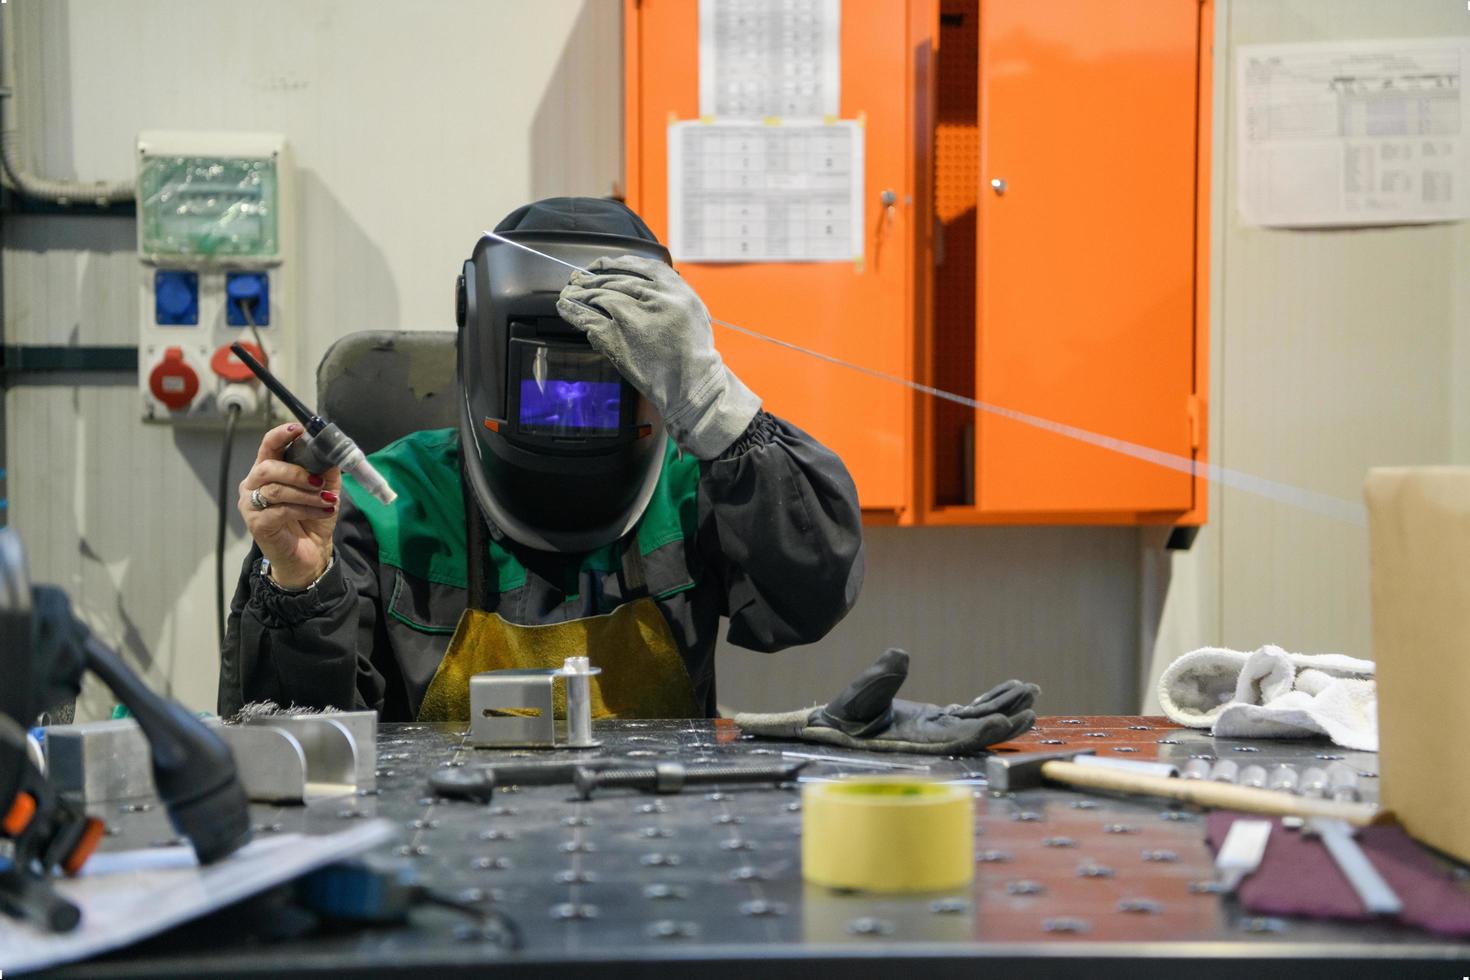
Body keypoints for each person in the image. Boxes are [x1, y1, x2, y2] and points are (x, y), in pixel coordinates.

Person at [219, 198, 865, 721]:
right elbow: (295, 741)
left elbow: (815, 591)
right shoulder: (383, 504)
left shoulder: (693, 486)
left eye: (602, 374)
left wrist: (714, 403)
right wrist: (301, 583)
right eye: (546, 378)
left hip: (653, 849)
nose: (571, 403)